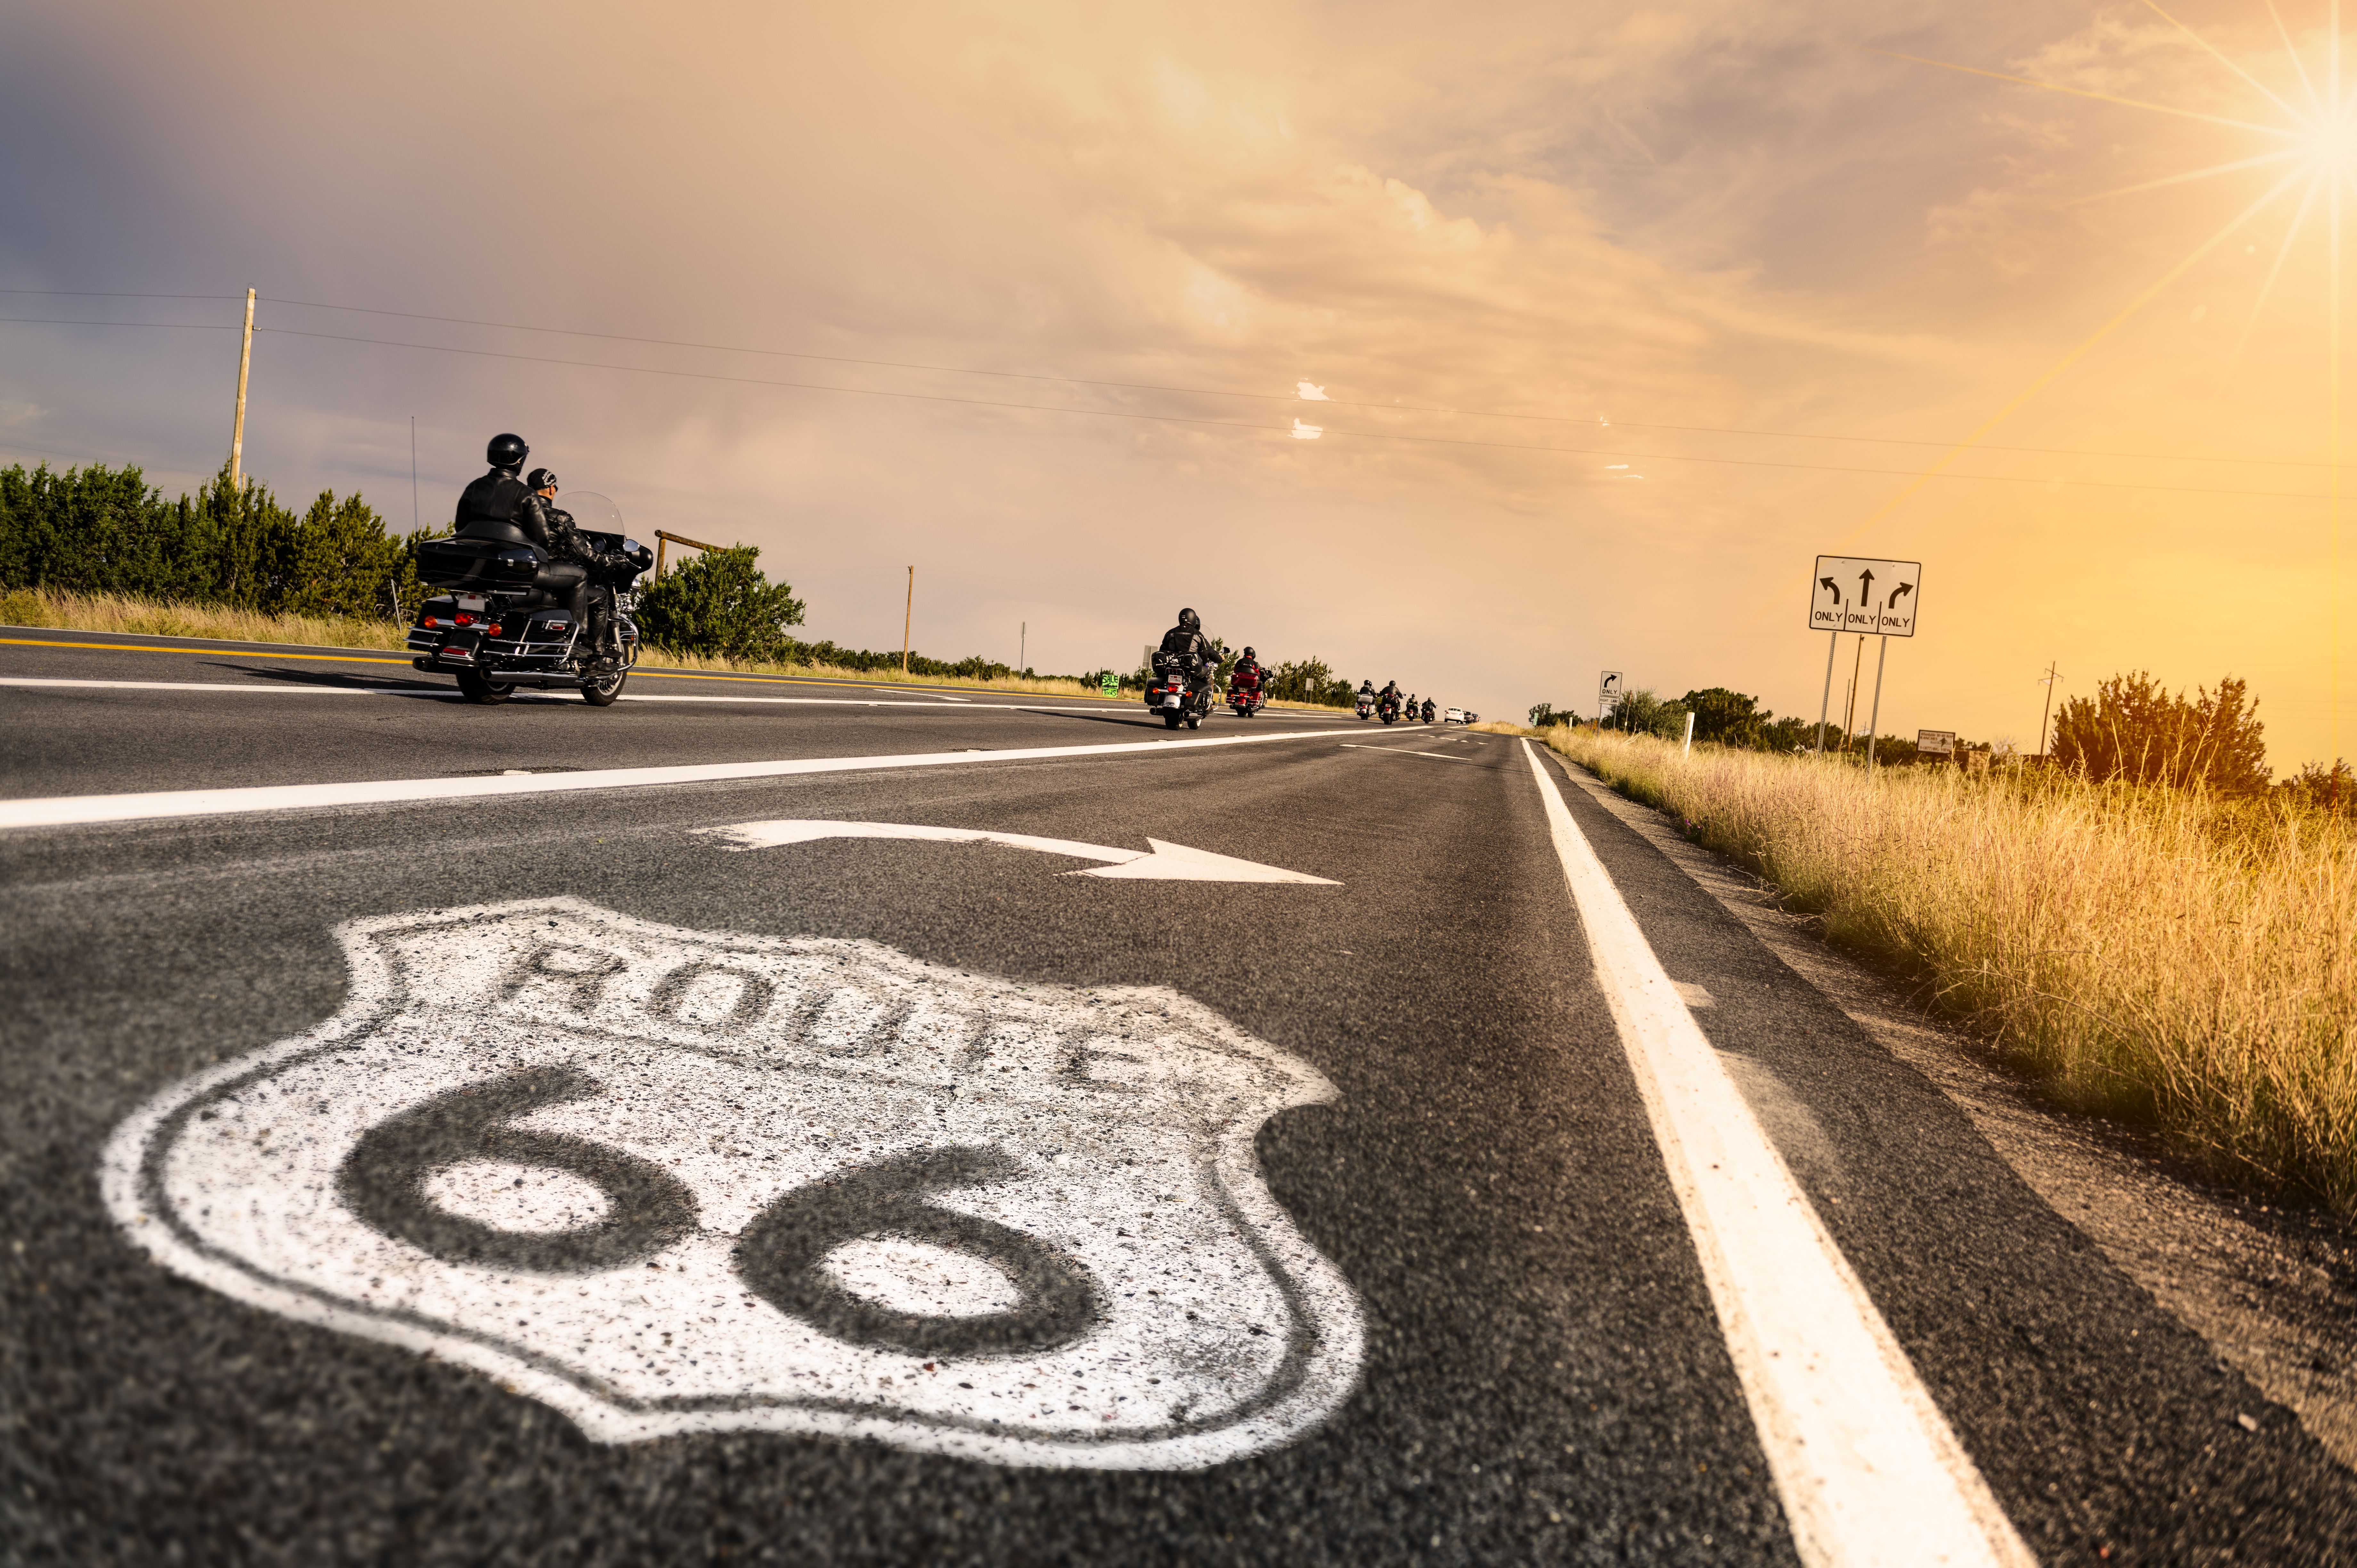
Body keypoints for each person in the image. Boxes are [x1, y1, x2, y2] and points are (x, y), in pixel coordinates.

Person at [1156, 608, 1218, 707]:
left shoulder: (1170, 633)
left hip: (1172, 666)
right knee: (1207, 673)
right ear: (1193, 619)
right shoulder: (1197, 635)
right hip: (1189, 667)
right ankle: (1209, 703)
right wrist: (1206, 662)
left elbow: (1162, 650)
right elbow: (1205, 654)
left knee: (1163, 676)